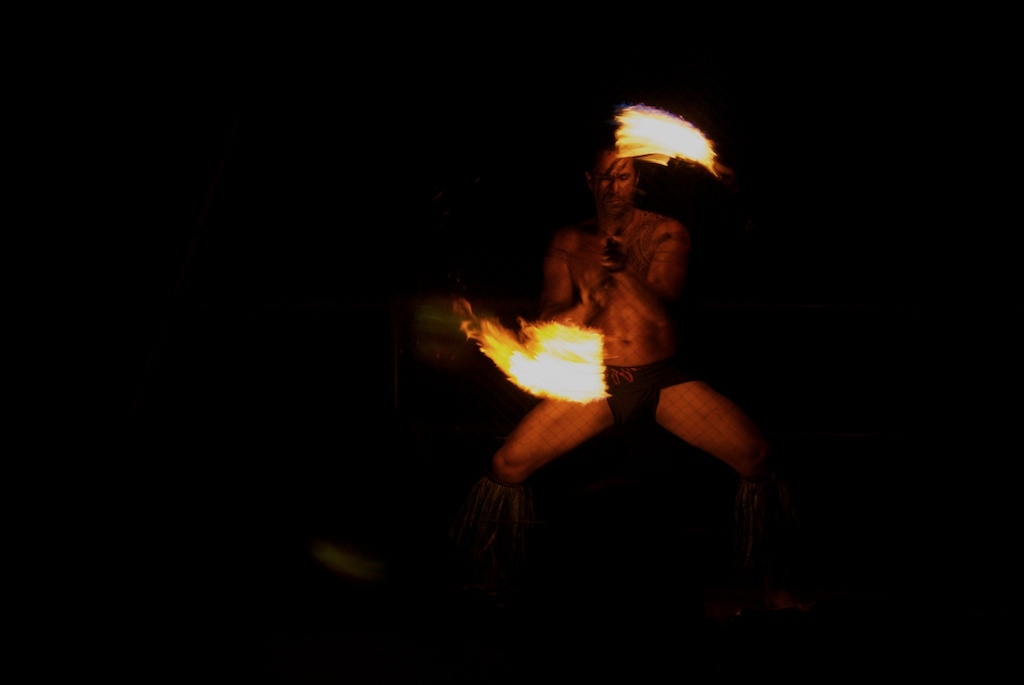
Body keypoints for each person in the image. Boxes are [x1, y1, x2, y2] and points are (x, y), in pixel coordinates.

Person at [450, 121, 803, 610]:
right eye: (605, 177)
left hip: (664, 380)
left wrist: (620, 273)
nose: (614, 186)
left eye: (623, 176)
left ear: (637, 180)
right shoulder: (569, 242)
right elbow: (548, 321)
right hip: (597, 384)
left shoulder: (666, 232)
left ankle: (776, 588)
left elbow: (663, 309)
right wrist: (587, 303)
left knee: (756, 455)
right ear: (589, 181)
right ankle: (489, 584)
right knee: (506, 464)